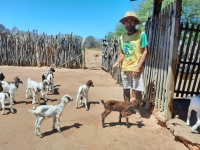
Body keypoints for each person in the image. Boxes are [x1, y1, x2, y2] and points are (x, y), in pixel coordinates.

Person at [113, 12, 148, 123]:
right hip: (125, 68)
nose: (129, 22)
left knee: (137, 91)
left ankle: (137, 112)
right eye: (126, 21)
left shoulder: (141, 34)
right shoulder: (122, 37)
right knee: (126, 90)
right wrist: (117, 62)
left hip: (136, 68)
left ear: (135, 23)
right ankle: (127, 109)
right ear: (124, 24)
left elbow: (145, 51)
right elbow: (122, 53)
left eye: (131, 20)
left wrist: (138, 66)